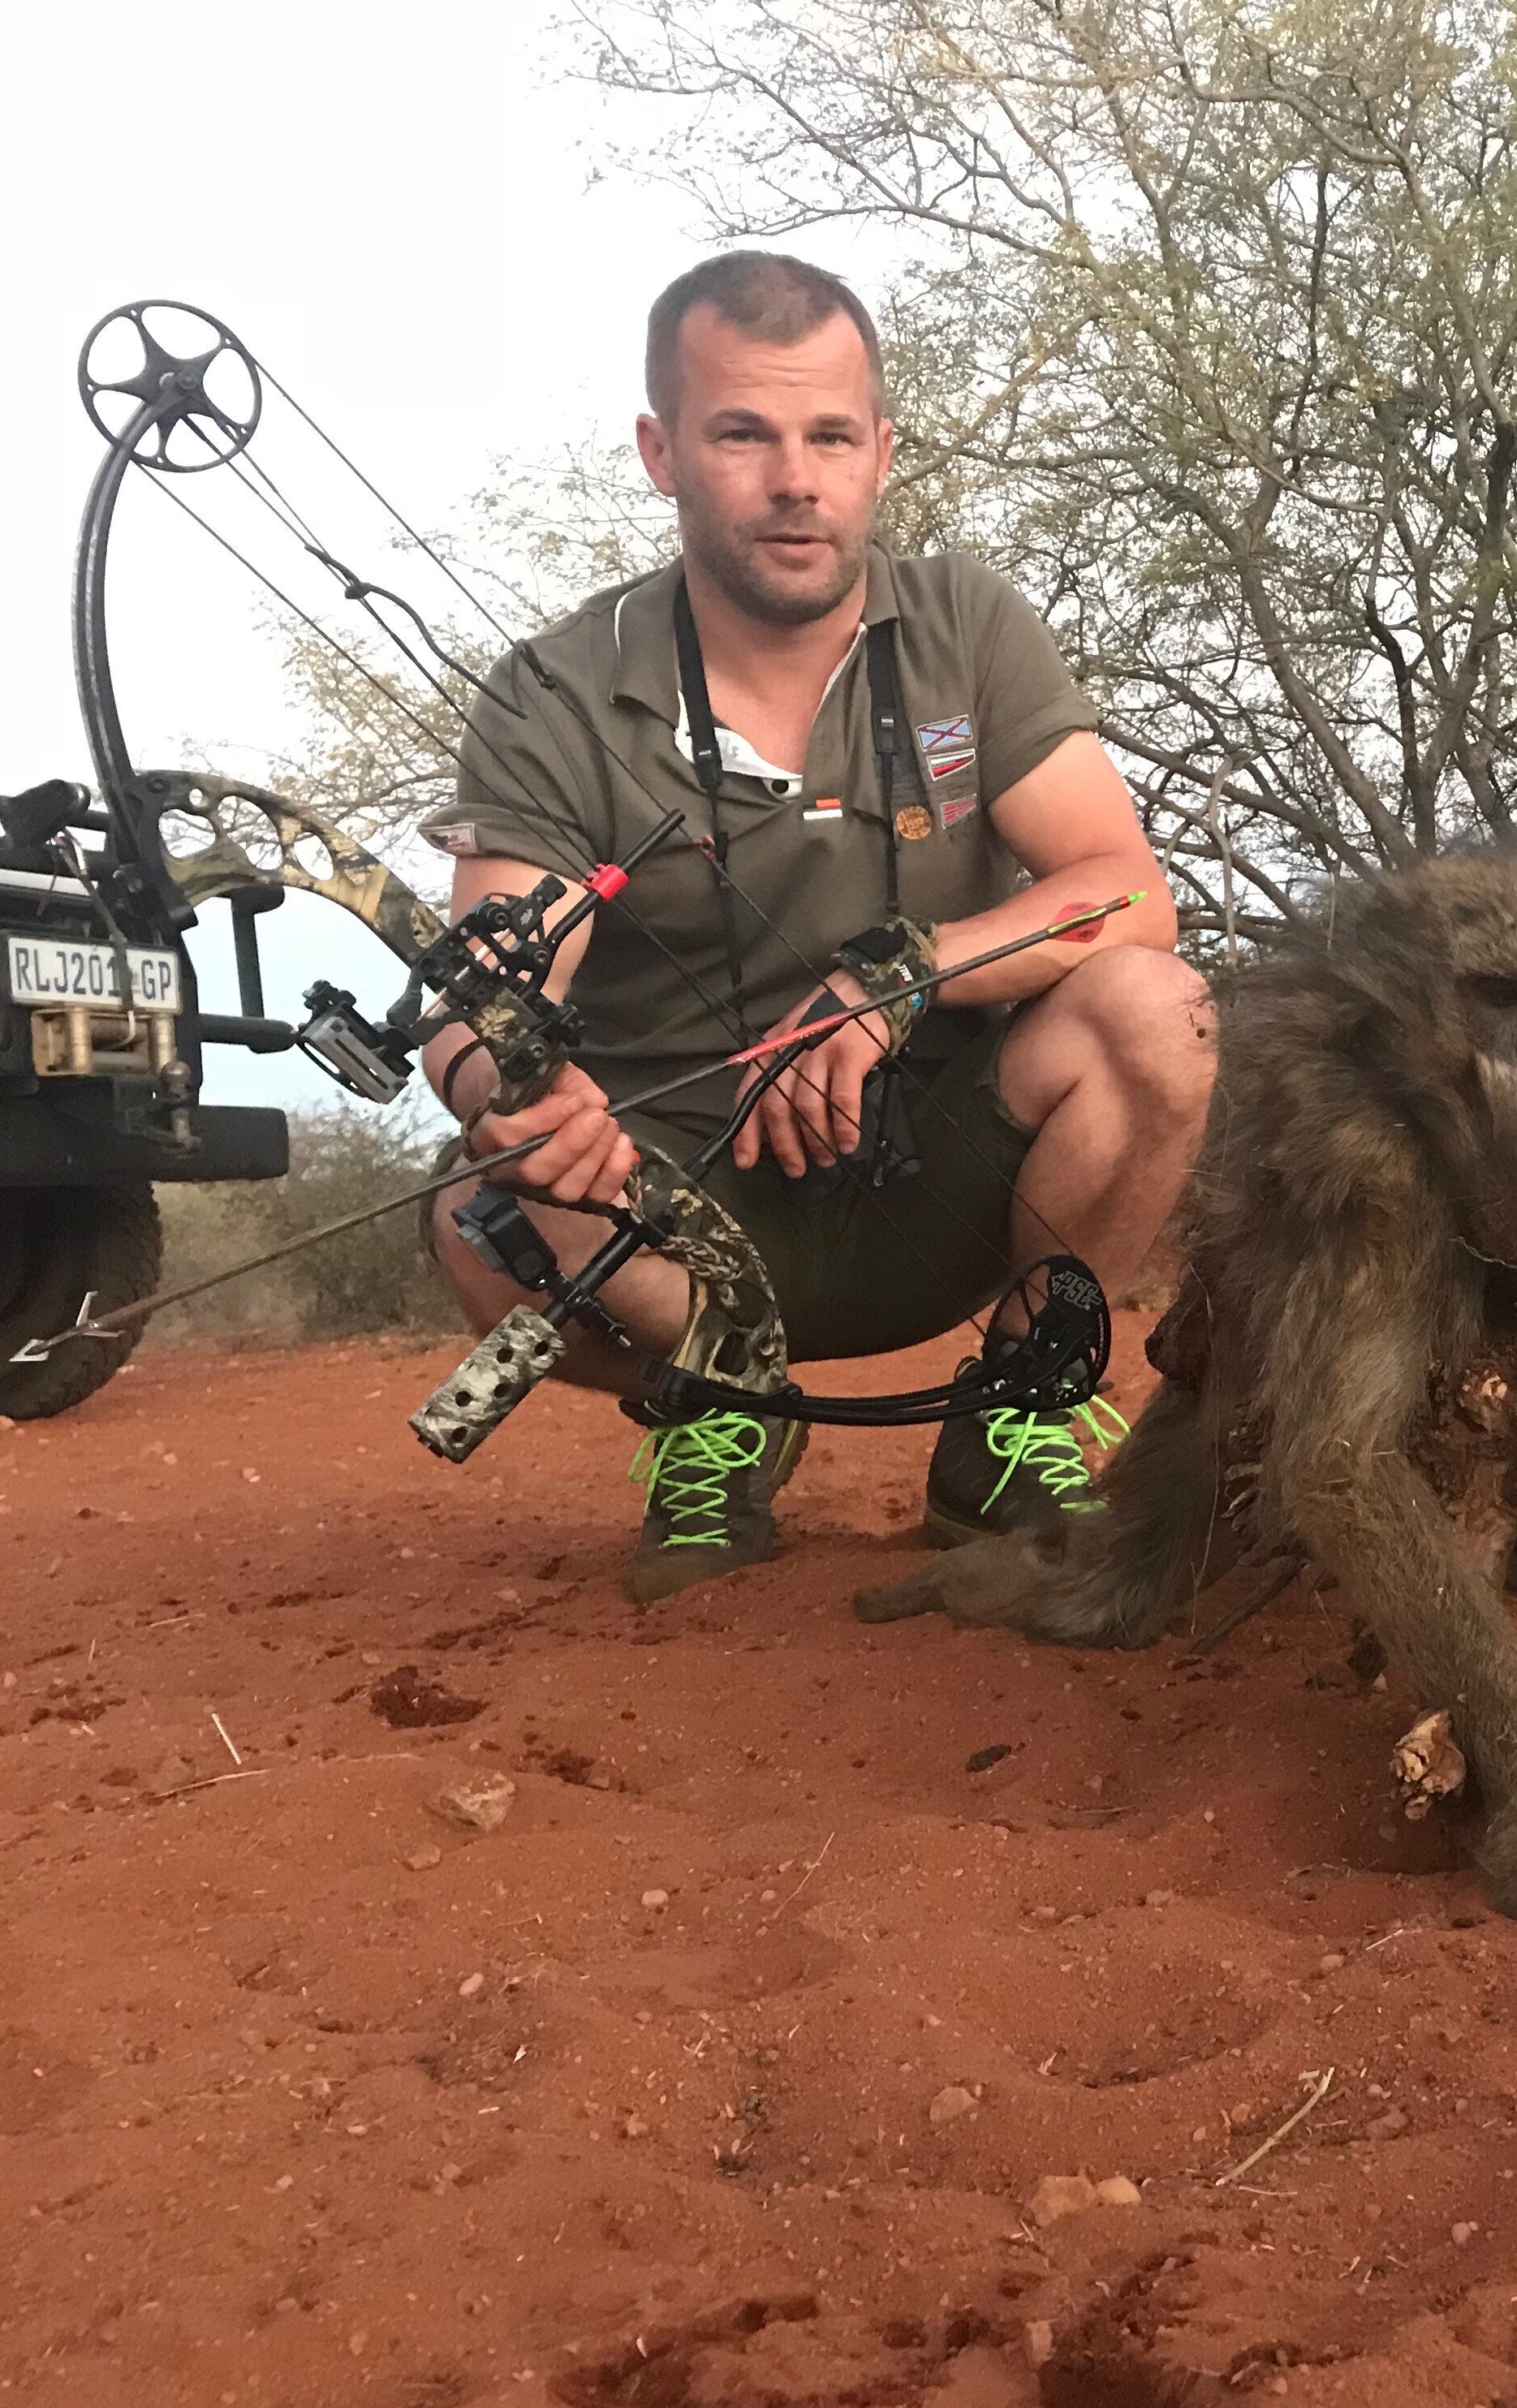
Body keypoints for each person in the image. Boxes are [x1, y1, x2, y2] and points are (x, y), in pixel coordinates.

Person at [418, 250, 1213, 1602]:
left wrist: (895, 977)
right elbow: (487, 980)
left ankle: (1014, 1416)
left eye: (830, 435)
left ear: (880, 453)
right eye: (743, 432)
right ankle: (721, 1405)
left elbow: (1125, 889)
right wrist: (516, 1083)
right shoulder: (556, 683)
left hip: (937, 1179)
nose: (796, 479)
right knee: (476, 1196)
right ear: (663, 451)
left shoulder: (964, 624)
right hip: (674, 1208)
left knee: (1161, 1010)